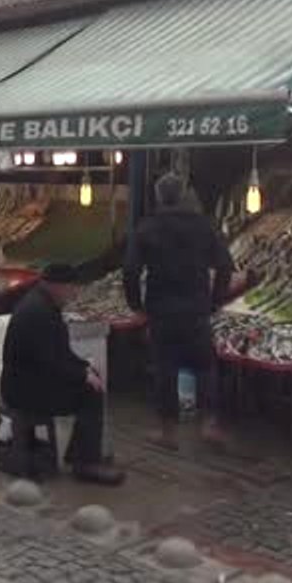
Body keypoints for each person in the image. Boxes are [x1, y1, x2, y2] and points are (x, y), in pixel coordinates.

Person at [123, 173, 234, 448]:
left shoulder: (147, 227)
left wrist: (136, 306)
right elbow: (225, 265)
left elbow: (130, 270)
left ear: (159, 197)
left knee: (165, 369)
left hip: (161, 310)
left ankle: (168, 432)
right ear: (184, 195)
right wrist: (216, 300)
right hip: (197, 308)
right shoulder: (203, 226)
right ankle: (208, 425)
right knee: (205, 366)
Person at [1, 263, 125, 486]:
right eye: (71, 288)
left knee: (91, 379)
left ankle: (80, 455)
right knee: (90, 393)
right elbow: (50, 361)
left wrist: (84, 368)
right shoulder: (39, 312)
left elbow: (60, 353)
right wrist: (82, 376)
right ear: (56, 286)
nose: (74, 293)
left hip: (30, 379)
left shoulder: (41, 304)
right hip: (26, 389)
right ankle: (86, 462)